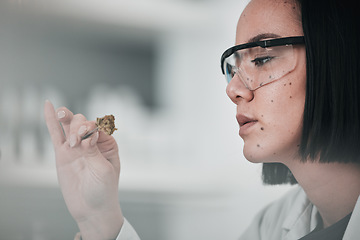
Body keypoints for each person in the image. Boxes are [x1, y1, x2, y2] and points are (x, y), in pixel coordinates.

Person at [44, 0, 360, 239]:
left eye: (261, 59)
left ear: (336, 59)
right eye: (234, 68)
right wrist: (99, 218)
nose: (234, 89)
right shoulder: (271, 227)